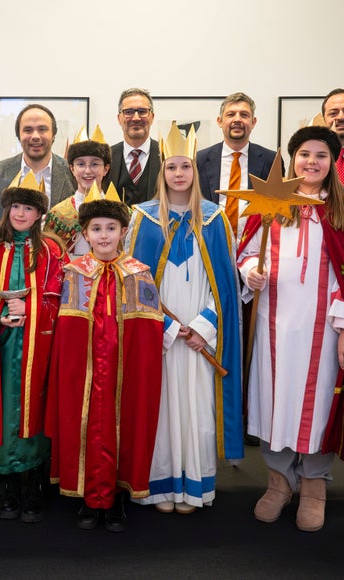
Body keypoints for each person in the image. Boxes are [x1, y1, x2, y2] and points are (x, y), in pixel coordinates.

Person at [237, 125, 344, 532]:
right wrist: (250, 272)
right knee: (273, 400)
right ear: (291, 159)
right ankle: (278, 481)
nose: (311, 162)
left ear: (333, 162)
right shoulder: (270, 202)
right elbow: (246, 250)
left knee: (317, 408)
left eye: (320, 156)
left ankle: (314, 485)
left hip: (323, 328)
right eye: (304, 155)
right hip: (273, 324)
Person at [125, 124, 243, 514]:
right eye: (172, 167)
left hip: (198, 339)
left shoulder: (214, 219)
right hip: (161, 336)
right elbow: (134, 281)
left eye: (186, 166)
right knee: (160, 409)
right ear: (163, 173)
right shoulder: (141, 219)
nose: (179, 174)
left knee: (197, 410)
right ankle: (160, 486)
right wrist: (171, 327)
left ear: (195, 172)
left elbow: (224, 285)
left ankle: (195, 485)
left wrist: (203, 327)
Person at [46, 190, 163, 533]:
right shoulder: (73, 272)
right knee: (86, 427)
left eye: (111, 228)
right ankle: (87, 496)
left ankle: (118, 496)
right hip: (84, 370)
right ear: (84, 234)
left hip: (123, 369)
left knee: (123, 424)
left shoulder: (138, 273)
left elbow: (149, 332)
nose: (104, 236)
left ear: (123, 231)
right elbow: (64, 329)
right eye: (96, 229)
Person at [0, 173, 67, 523]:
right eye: (15, 207)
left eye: (28, 208)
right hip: (2, 349)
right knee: (5, 412)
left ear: (40, 213)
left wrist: (32, 309)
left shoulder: (52, 251)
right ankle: (9, 487)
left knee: (35, 411)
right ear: (6, 209)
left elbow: (62, 301)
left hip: (37, 349)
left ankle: (35, 486)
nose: (21, 214)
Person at [196, 92, 277, 238]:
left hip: (253, 244)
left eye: (244, 115)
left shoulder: (270, 160)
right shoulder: (200, 159)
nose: (237, 120)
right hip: (209, 242)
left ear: (254, 122)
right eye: (231, 114)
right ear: (220, 121)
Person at [45, 127, 111, 258]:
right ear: (72, 169)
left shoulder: (123, 212)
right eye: (81, 164)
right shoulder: (57, 215)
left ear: (106, 169)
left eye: (95, 164)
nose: (87, 171)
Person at [0, 103, 76, 206]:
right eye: (28, 130)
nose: (35, 136)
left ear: (53, 134)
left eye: (42, 129)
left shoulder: (73, 173)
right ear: (19, 135)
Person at [107, 88, 161, 206]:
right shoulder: (105, 157)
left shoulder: (167, 156)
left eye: (142, 111)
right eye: (128, 112)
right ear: (119, 118)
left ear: (152, 117)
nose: (136, 118)